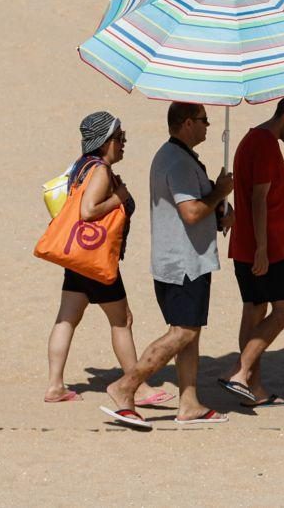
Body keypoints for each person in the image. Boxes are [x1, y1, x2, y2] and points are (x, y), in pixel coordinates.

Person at [100, 102, 234, 429]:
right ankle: (125, 386)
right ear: (187, 123)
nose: (208, 125)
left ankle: (188, 404)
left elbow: (190, 210)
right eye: (204, 120)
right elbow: (189, 212)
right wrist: (220, 191)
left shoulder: (178, 157)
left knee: (190, 334)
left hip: (185, 259)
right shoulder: (177, 161)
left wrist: (219, 209)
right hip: (182, 262)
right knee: (182, 332)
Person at [44, 111, 171, 408]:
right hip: (96, 259)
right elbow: (88, 211)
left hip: (77, 257)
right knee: (122, 320)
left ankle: (55, 385)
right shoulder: (99, 170)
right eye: (119, 138)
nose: (124, 143)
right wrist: (120, 196)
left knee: (67, 318)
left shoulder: (81, 166)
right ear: (104, 142)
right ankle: (136, 388)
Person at [219, 93, 284, 408]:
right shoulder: (263, 144)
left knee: (255, 310)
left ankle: (254, 387)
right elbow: (259, 198)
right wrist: (262, 248)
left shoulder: (255, 140)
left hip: (249, 246)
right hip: (264, 248)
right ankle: (240, 372)